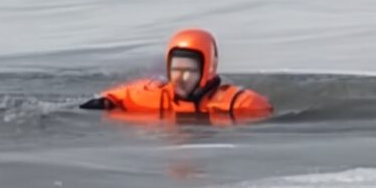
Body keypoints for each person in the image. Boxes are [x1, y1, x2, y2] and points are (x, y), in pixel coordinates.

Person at [80, 28, 273, 122]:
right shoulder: (155, 95)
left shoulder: (237, 104)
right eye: (176, 69)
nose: (180, 78)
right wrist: (105, 102)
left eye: (189, 71)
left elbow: (263, 112)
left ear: (208, 69)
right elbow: (117, 96)